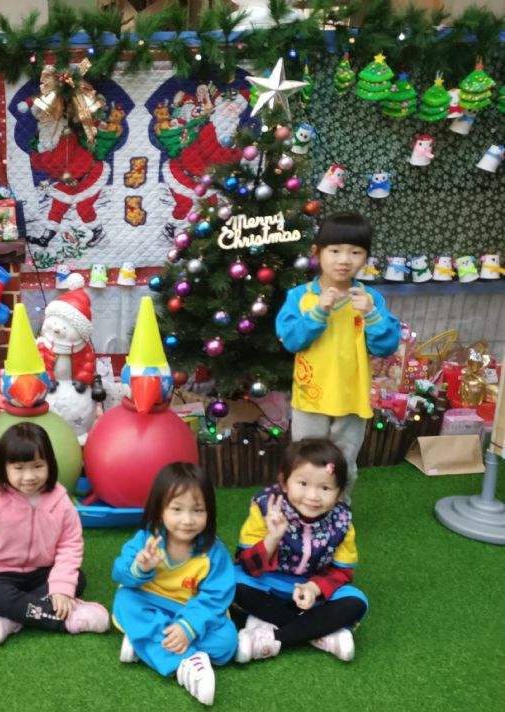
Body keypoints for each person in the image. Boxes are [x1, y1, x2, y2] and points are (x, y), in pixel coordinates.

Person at [276, 212, 401, 501]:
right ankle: (301, 513)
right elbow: (291, 341)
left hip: (351, 401)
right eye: (334, 251)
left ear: (366, 257)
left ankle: (338, 514)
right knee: (305, 464)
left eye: (355, 252)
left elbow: (386, 346)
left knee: (344, 467)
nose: (344, 260)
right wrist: (318, 311)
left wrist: (371, 314)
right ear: (316, 253)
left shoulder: (370, 299)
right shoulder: (300, 297)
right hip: (310, 400)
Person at [0, 421, 109, 645]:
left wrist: (62, 588)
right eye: (19, 468)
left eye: (37, 466)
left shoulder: (61, 501)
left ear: (50, 464)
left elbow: (70, 545)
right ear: (4, 468)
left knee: (77, 579)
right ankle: (65, 620)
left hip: (42, 571)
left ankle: (13, 617)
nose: (29, 476)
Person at [111, 463, 236, 707]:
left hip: (190, 609)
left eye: (198, 510)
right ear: (160, 510)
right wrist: (141, 567)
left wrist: (188, 627)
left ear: (209, 512)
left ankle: (145, 644)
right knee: (125, 601)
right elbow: (119, 573)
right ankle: (187, 661)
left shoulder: (214, 551)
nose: (187, 520)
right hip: (148, 602)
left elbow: (216, 596)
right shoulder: (146, 539)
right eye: (177, 509)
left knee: (227, 642)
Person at [233, 438, 368, 664]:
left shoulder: (342, 520)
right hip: (267, 584)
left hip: (312, 589)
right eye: (303, 484)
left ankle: (275, 637)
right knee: (232, 584)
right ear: (284, 483)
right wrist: (272, 538)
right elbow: (247, 564)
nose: (313, 496)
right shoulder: (265, 507)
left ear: (339, 493)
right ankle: (320, 632)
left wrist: (314, 588)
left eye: (325, 488)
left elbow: (342, 572)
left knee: (356, 602)